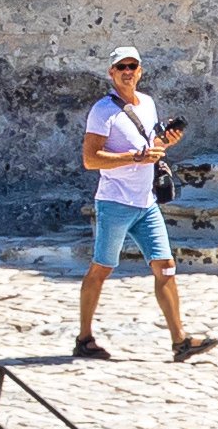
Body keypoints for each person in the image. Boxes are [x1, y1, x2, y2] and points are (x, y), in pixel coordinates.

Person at [69, 45, 204, 359]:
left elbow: (150, 147)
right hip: (115, 203)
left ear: (140, 70)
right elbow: (90, 160)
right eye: (121, 67)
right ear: (111, 73)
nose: (127, 72)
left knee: (166, 268)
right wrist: (134, 157)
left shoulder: (148, 104)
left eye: (133, 66)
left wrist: (164, 143)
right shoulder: (102, 111)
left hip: (146, 202)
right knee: (101, 269)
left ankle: (179, 340)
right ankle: (84, 338)